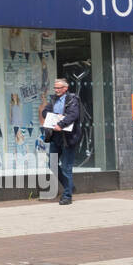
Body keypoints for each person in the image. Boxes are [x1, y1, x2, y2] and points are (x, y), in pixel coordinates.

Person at [43, 77, 82, 205]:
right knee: (53, 165)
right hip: (55, 136)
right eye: (55, 88)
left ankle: (67, 196)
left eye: (59, 88)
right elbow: (45, 112)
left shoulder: (72, 99)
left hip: (68, 137)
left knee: (66, 167)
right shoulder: (53, 100)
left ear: (65, 88)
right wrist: (51, 117)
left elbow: (73, 115)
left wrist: (61, 123)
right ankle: (69, 186)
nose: (56, 90)